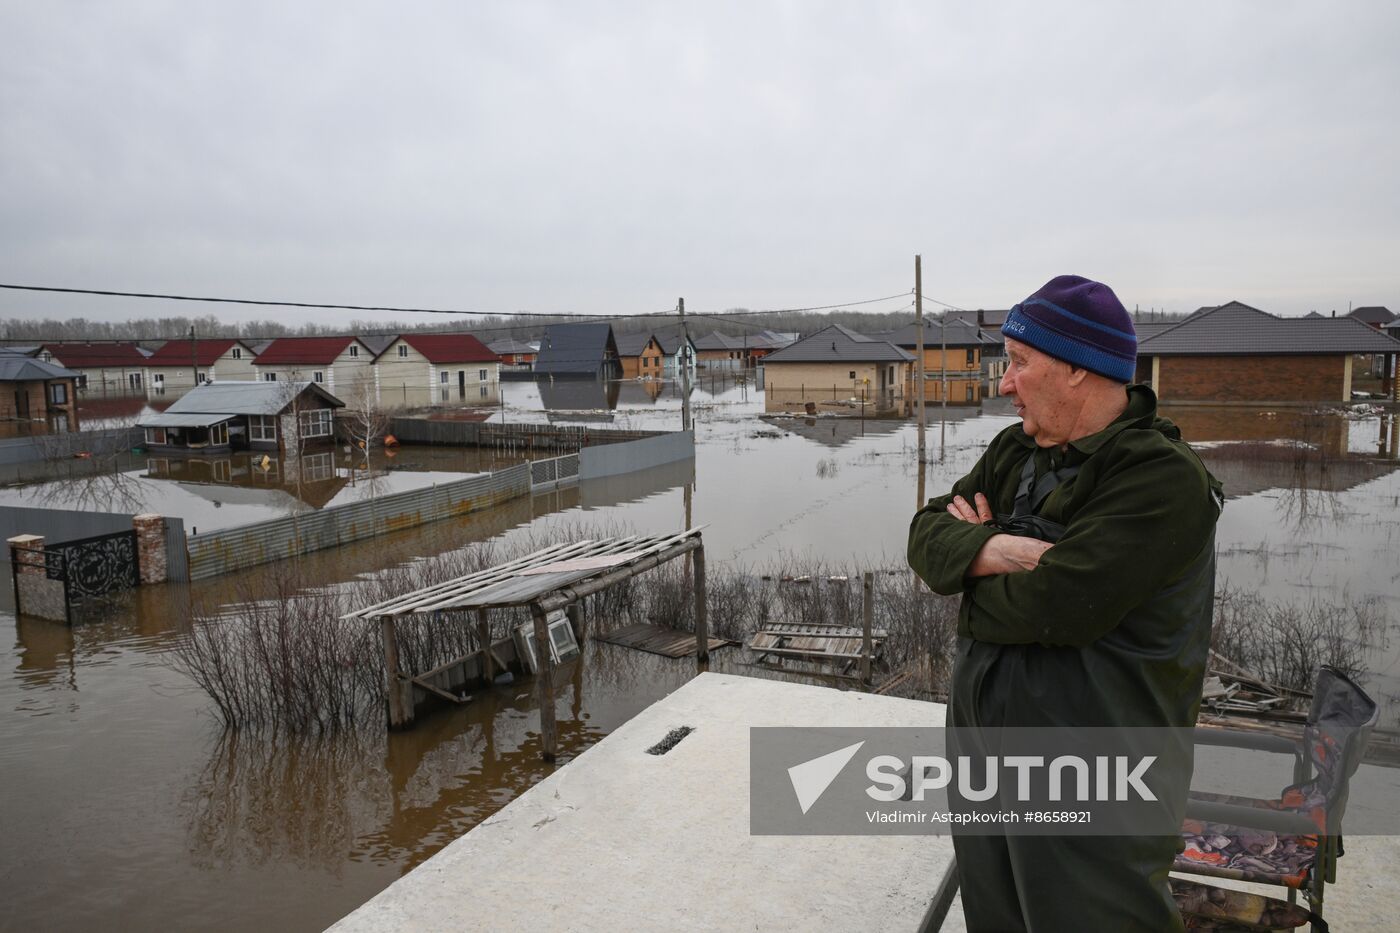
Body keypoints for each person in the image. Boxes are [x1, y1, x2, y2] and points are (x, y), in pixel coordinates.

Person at [907, 275, 1223, 932]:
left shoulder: (1162, 478)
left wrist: (973, 567)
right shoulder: (1015, 452)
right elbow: (925, 536)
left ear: (1079, 368)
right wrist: (1006, 551)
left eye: (1020, 363)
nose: (1003, 383)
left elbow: (1060, 605)